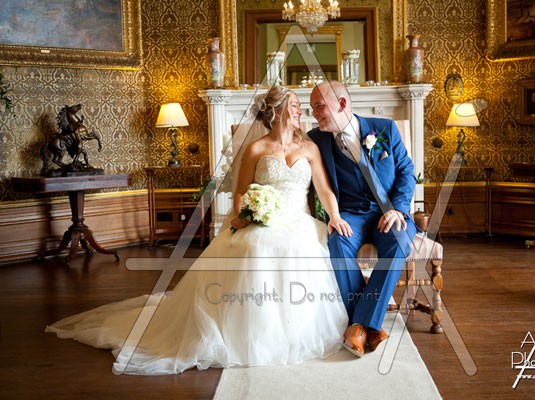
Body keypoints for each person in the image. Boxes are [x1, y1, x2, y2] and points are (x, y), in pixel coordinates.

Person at [46, 86, 350, 375]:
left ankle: (292, 332)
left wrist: (334, 216)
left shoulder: (309, 147)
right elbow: (240, 191)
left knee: (301, 246)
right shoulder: (257, 148)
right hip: (261, 221)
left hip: (298, 220)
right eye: (295, 105)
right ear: (278, 110)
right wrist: (240, 215)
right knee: (254, 246)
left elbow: (324, 189)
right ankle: (247, 331)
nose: (300, 110)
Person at [308, 80, 417, 357]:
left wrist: (397, 208)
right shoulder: (315, 139)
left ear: (342, 104)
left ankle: (358, 325)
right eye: (312, 108)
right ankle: (370, 326)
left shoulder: (384, 129)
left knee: (399, 240)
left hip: (389, 212)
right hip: (350, 215)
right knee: (338, 240)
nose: (314, 113)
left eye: (319, 106)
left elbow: (406, 171)